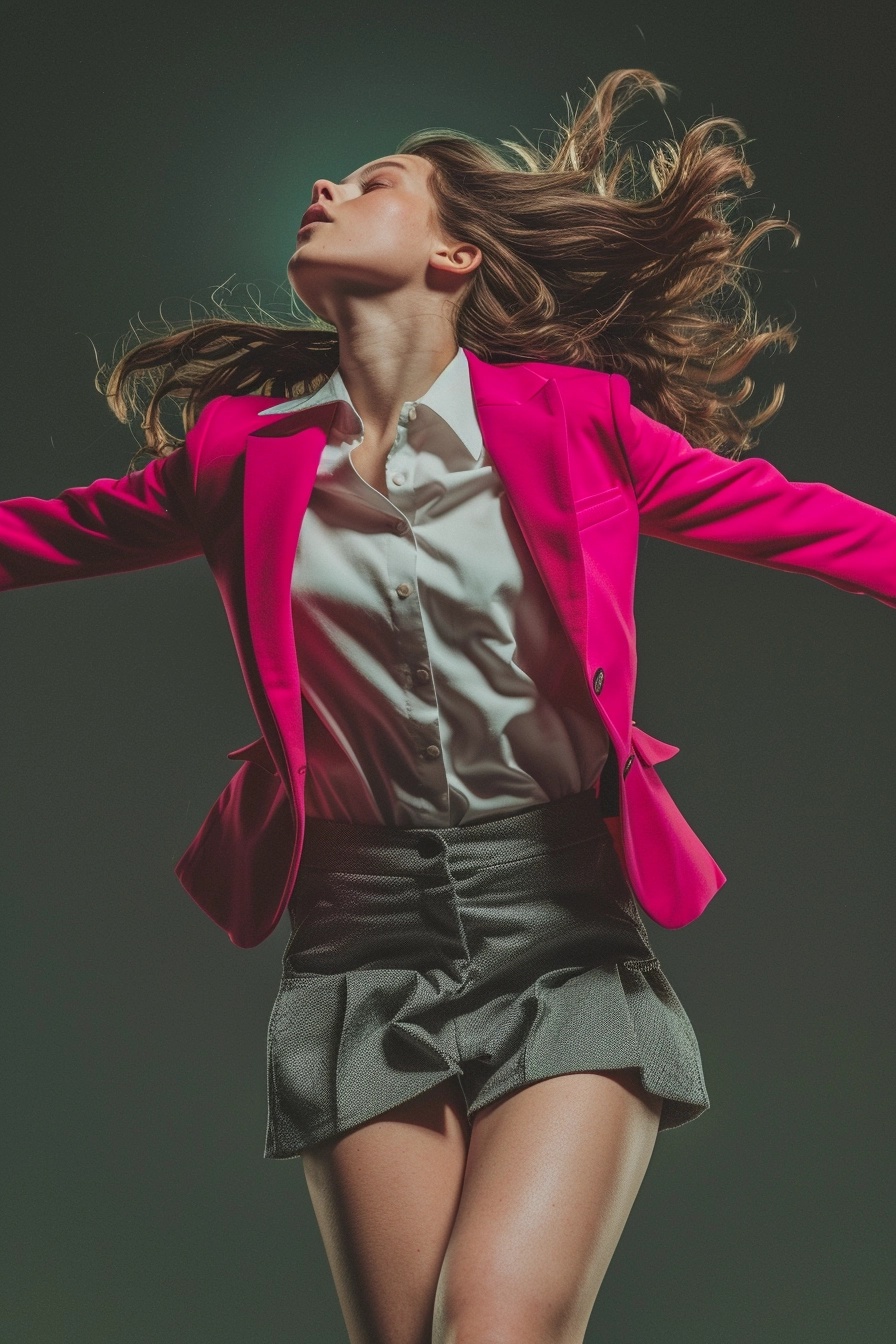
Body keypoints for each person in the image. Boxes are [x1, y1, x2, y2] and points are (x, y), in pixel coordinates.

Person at [2, 68, 894, 1344]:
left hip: (559, 924)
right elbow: (35, 536)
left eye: (373, 184)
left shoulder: (576, 426)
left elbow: (813, 526)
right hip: (356, 937)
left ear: (453, 251)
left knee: (495, 1328)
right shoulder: (238, 461)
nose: (326, 189)